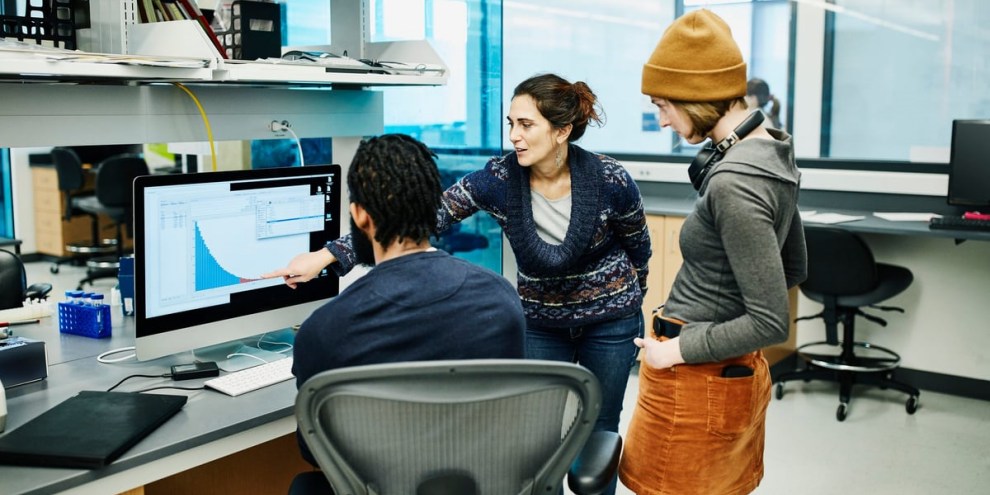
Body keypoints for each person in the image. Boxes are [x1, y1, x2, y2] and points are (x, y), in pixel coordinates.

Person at [267, 74, 652, 477]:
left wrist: (628, 302)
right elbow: (423, 215)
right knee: (539, 440)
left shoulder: (610, 179)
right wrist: (329, 255)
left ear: (562, 131)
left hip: (611, 322)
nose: (514, 137)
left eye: (526, 125)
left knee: (601, 430)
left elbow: (638, 247)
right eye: (510, 124)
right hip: (542, 323)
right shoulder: (500, 180)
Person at [619, 9, 806, 495]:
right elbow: (794, 266)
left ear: (697, 96)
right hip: (722, 369)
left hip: (693, 378)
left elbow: (769, 322)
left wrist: (673, 353)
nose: (661, 120)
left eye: (663, 105)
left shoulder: (735, 181)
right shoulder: (775, 155)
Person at [283, 134, 527, 466]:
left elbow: (315, 450)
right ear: (434, 208)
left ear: (360, 216)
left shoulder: (324, 330)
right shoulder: (501, 301)